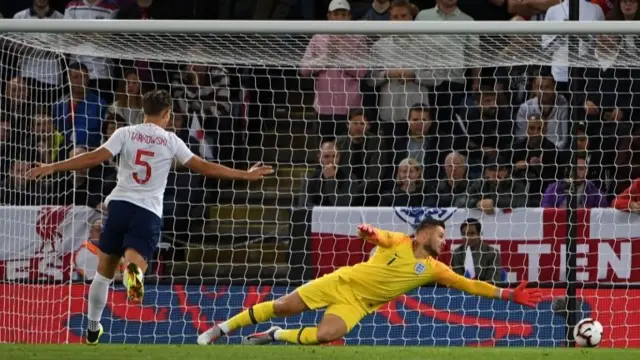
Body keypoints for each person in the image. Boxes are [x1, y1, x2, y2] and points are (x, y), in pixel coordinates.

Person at [25, 90, 273, 345]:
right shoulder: (170, 140)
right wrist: (245, 174)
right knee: (135, 262)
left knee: (103, 274)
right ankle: (134, 273)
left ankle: (92, 328)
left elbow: (93, 157)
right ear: (166, 114)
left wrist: (52, 166)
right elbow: (205, 166)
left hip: (119, 205)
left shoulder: (125, 133)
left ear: (144, 111)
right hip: (147, 210)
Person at [197, 220, 542, 346]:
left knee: (326, 336)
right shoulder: (400, 241)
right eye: (440, 235)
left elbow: (470, 286)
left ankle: (273, 336)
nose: (444, 241)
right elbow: (379, 236)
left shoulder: (436, 268)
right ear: (422, 234)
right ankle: (221, 330)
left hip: (359, 304)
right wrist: (370, 234)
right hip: (341, 282)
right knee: (284, 306)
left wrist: (508, 293)